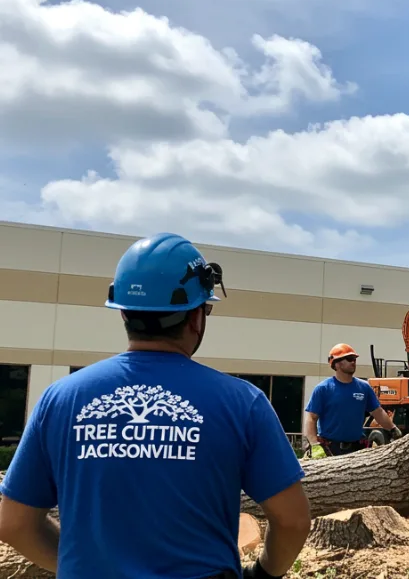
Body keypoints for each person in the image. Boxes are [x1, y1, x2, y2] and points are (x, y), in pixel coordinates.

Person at [0, 233, 311, 579]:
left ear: (123, 314)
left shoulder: (59, 400)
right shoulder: (242, 403)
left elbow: (14, 524)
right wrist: (264, 574)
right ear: (196, 317)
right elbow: (293, 520)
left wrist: (85, 566)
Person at [303, 343, 401, 457]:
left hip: (356, 448)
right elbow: (311, 418)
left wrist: (393, 429)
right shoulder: (323, 389)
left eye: (354, 359)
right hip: (330, 449)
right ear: (337, 364)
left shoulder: (364, 388)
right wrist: (314, 445)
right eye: (349, 359)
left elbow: (378, 412)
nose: (353, 362)